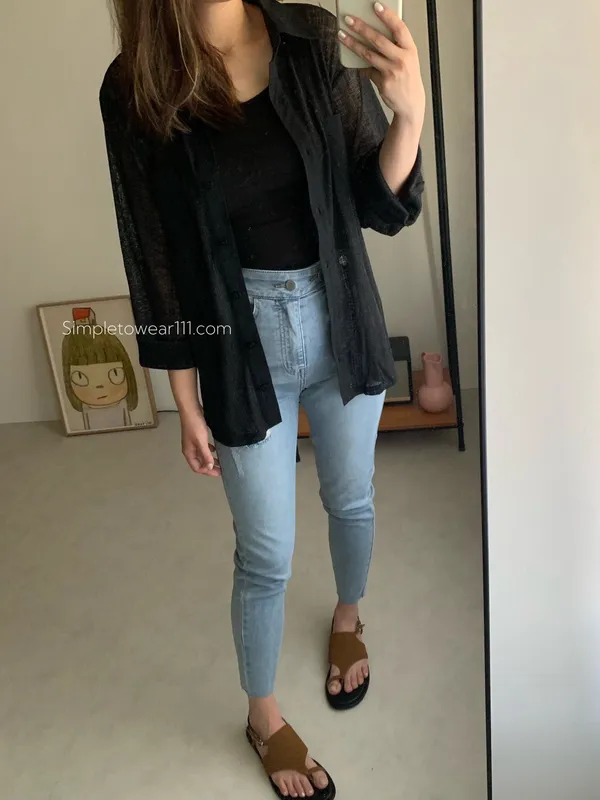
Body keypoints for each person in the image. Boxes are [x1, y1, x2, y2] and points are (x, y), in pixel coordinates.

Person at [100, 0, 425, 796]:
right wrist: (185, 397)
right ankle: (263, 716)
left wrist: (410, 115)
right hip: (234, 345)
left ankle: (347, 617)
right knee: (266, 554)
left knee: (352, 497)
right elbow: (155, 254)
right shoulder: (136, 85)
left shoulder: (309, 37)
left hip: (342, 319)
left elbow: (373, 201)